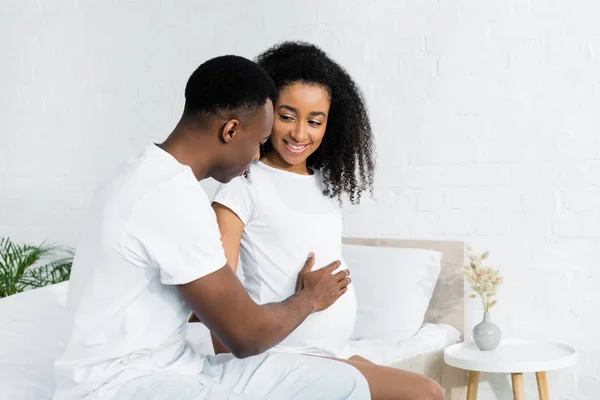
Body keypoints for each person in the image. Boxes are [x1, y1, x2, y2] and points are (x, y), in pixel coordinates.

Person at [52, 55, 370, 400]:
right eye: (258, 141)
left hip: (169, 368)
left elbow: (201, 301)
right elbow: (245, 335)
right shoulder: (170, 197)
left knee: (343, 381)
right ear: (230, 130)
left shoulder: (144, 174)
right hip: (125, 385)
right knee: (340, 385)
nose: (255, 156)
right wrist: (309, 299)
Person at [208, 42, 444, 400]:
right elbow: (217, 299)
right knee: (424, 393)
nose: (300, 134)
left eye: (314, 121)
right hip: (279, 357)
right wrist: (238, 373)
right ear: (267, 113)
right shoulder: (243, 186)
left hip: (332, 352)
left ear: (331, 124)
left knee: (420, 389)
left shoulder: (325, 186)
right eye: (287, 117)